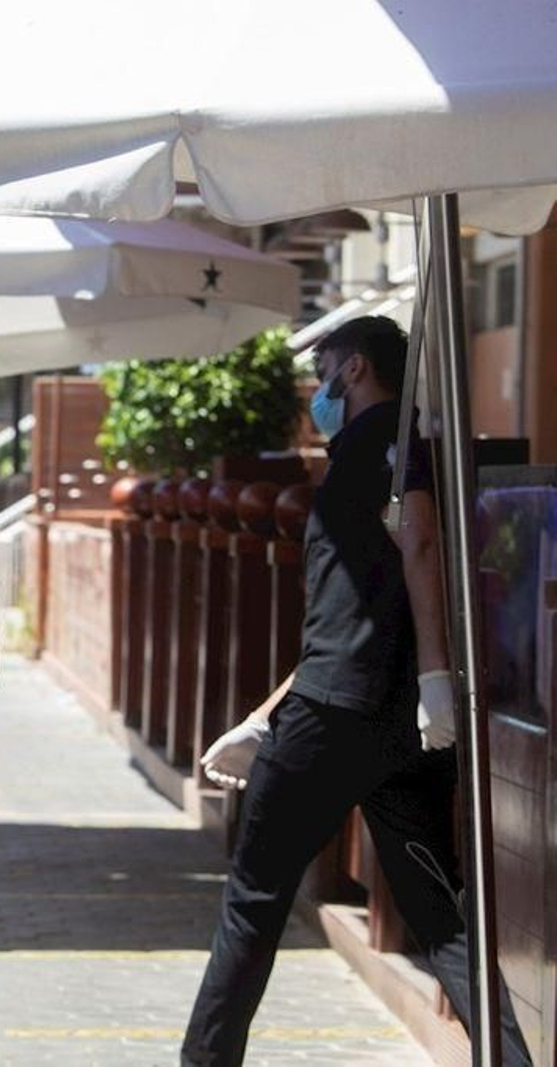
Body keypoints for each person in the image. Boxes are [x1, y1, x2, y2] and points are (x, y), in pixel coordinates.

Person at [184, 316, 531, 1065]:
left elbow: (423, 545)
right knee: (443, 920)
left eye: (322, 373)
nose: (316, 390)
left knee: (252, 904)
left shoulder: (388, 450)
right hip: (400, 729)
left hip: (336, 720)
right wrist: (259, 720)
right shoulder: (393, 454)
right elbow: (345, 617)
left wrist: (437, 672)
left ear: (356, 371)